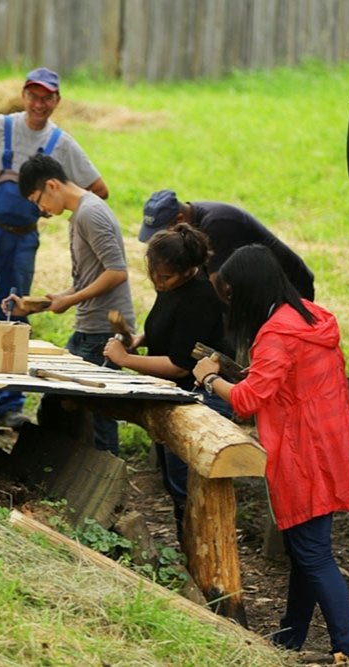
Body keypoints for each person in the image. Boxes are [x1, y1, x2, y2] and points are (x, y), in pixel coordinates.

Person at [192, 244, 349, 661]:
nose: (230, 302)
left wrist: (210, 377)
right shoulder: (307, 314)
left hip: (304, 453)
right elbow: (283, 380)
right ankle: (291, 637)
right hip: (331, 444)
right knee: (306, 547)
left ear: (248, 289)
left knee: (313, 553)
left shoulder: (275, 334)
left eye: (232, 293)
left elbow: (248, 400)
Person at [0, 67, 108, 429]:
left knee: (14, 314)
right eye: (34, 95)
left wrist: (53, 208)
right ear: (24, 95)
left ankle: (8, 405)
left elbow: (98, 189)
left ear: (57, 101)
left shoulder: (63, 144)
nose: (39, 103)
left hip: (23, 238)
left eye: (47, 97)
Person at [101, 223, 233, 542]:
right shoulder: (173, 289)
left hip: (197, 399)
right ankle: (188, 551)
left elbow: (179, 366)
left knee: (186, 488)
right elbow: (169, 330)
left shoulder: (200, 298)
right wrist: (141, 340)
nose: (158, 283)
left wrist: (126, 360)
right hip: (174, 396)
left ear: (189, 270)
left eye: (166, 277)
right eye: (154, 275)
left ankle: (202, 558)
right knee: (174, 485)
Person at [5, 153, 134, 454]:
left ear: (52, 185)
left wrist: (71, 300)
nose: (41, 210)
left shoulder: (90, 213)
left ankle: (105, 480)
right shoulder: (79, 214)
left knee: (99, 412)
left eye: (38, 200)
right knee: (56, 405)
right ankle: (67, 471)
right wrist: (39, 304)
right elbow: (90, 276)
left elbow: (117, 272)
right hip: (88, 328)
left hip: (104, 330)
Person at [139, 190, 315, 301]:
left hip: (289, 289)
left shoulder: (217, 224)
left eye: (162, 232)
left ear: (179, 220)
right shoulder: (192, 220)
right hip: (257, 290)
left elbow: (218, 287)